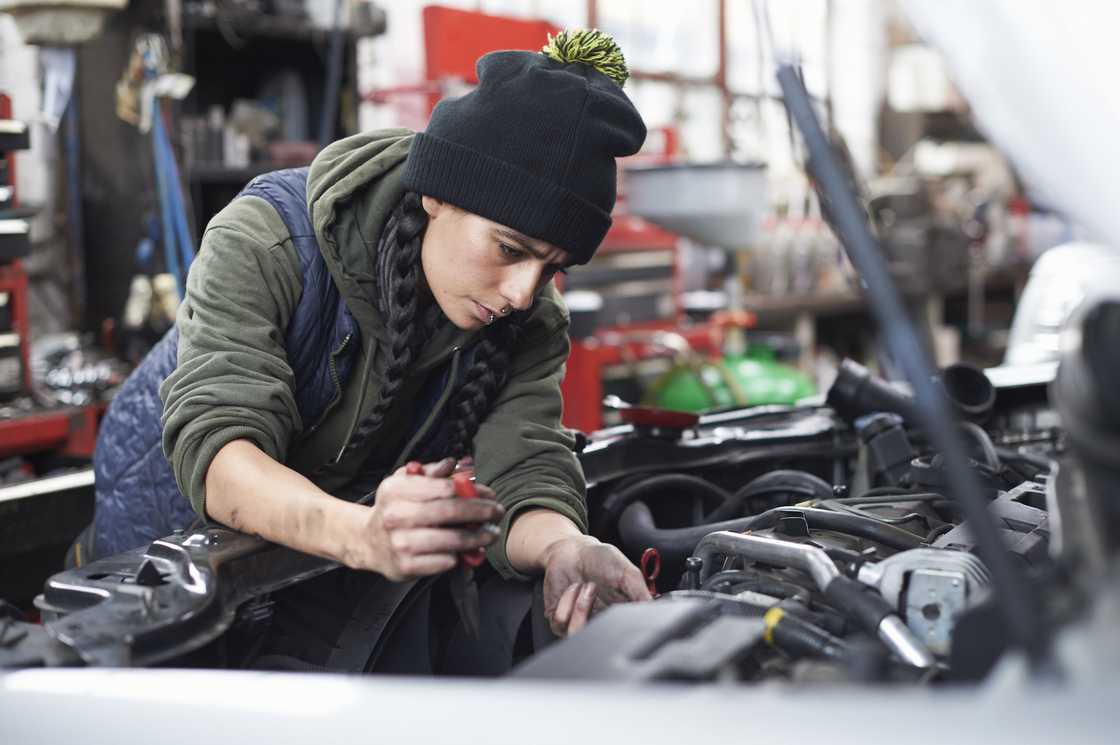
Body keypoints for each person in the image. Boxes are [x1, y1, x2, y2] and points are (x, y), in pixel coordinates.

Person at [86, 29, 651, 652]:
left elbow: (524, 466)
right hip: (158, 562)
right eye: (510, 249)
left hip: (317, 564)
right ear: (437, 194)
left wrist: (565, 546)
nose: (523, 292)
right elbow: (223, 453)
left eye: (551, 268)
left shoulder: (529, 318)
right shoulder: (268, 239)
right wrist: (362, 535)